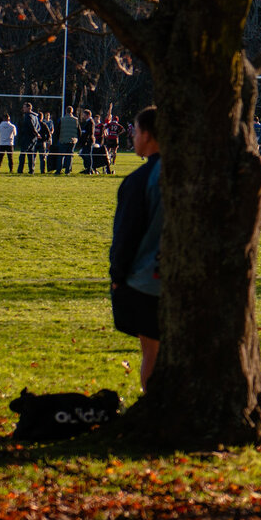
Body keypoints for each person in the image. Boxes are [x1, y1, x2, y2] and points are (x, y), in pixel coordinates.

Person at [110, 107, 165, 389]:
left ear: (148, 135)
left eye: (136, 130)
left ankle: (154, 404)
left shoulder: (141, 180)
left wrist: (117, 276)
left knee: (152, 352)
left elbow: (126, 235)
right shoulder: (196, 174)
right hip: (194, 280)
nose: (132, 136)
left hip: (149, 280)